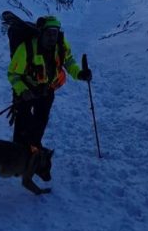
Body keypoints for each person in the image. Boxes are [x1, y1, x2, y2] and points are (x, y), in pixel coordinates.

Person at [7, 15, 92, 147]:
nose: (52, 37)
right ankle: (18, 152)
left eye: (55, 33)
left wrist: (79, 74)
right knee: (22, 124)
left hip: (47, 91)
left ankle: (33, 149)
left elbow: (68, 61)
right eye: (49, 33)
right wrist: (23, 91)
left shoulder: (61, 44)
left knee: (39, 124)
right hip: (26, 91)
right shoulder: (26, 49)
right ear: (41, 33)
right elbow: (13, 74)